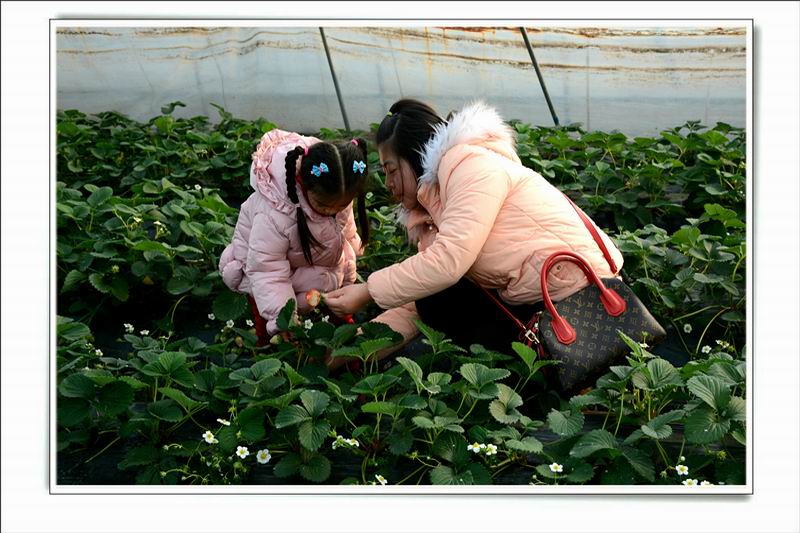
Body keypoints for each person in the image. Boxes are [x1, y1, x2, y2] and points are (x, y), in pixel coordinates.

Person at [324, 99, 624, 360]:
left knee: (440, 300)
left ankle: (524, 379)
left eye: (391, 170)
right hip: (546, 298)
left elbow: (447, 264)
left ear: (415, 156)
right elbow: (415, 301)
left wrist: (367, 291)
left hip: (583, 296)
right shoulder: (435, 210)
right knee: (433, 297)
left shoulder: (470, 166)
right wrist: (348, 354)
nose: (388, 184)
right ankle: (525, 371)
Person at [218, 129, 369, 346]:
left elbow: (345, 227)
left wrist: (351, 252)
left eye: (342, 205)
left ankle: (348, 344)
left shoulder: (337, 188)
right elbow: (267, 269)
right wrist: (283, 316)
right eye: (324, 206)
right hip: (267, 276)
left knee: (338, 310)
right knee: (271, 327)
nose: (332, 211)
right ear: (303, 184)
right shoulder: (274, 214)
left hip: (316, 267)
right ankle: (265, 349)